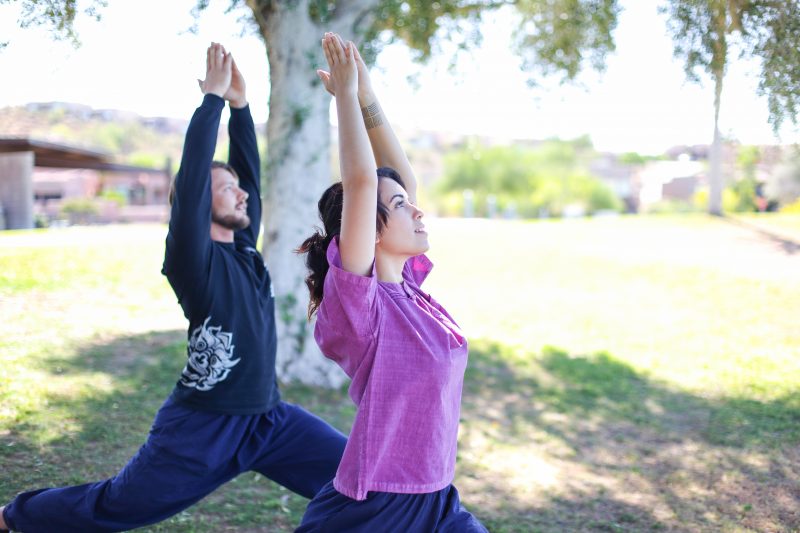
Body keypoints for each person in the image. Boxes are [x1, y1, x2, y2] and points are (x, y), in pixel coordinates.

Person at [0, 43, 346, 533]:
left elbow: (250, 177)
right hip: (203, 427)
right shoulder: (191, 259)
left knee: (360, 477)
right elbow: (192, 183)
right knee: (118, 505)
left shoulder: (243, 248)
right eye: (224, 188)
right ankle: (13, 517)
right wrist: (212, 101)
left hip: (270, 420)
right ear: (200, 201)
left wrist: (241, 108)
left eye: (237, 188)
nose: (241, 193)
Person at [293, 33, 487, 532]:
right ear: (371, 232)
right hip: (377, 507)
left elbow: (397, 178)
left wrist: (367, 96)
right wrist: (344, 97)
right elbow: (363, 184)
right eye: (400, 207)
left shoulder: (413, 291)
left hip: (437, 499)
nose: (417, 210)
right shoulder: (361, 306)